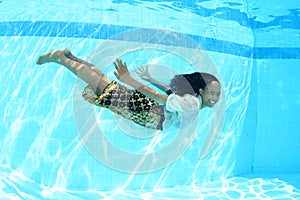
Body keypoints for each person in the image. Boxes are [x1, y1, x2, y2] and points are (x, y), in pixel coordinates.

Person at [36, 49, 221, 130]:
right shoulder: (193, 105)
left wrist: (150, 79)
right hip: (148, 112)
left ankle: (71, 56)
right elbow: (163, 98)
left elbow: (169, 93)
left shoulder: (192, 98)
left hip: (149, 109)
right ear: (202, 91)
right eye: (212, 92)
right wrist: (129, 80)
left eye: (217, 94)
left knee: (103, 82)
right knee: (102, 86)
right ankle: (61, 58)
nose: (214, 97)